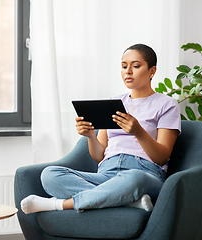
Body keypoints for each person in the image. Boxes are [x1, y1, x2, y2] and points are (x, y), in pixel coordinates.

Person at [21, 43, 181, 214]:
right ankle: (125, 200)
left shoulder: (167, 105)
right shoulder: (114, 102)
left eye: (135, 66)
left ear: (152, 71)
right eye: (124, 66)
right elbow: (99, 156)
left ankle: (58, 204)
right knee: (50, 175)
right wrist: (90, 136)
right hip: (106, 173)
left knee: (134, 179)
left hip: (143, 173)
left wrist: (138, 131)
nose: (128, 71)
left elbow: (162, 157)